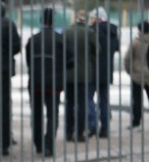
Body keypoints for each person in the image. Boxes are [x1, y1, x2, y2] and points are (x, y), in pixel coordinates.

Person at [25, 8, 70, 157]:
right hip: (53, 84)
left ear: (41, 20)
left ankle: (38, 144)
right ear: (53, 21)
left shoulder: (33, 39)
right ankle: (49, 146)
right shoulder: (59, 39)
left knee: (36, 114)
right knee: (52, 114)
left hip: (36, 82)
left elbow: (28, 61)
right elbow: (70, 59)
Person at [63, 10, 96, 142]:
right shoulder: (89, 32)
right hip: (84, 74)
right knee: (82, 104)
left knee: (69, 102)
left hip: (68, 73)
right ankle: (80, 133)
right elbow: (96, 50)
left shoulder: (67, 31)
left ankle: (68, 132)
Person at [88, 7, 120, 138]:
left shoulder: (93, 31)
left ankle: (93, 124)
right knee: (104, 100)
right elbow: (116, 48)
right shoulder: (113, 31)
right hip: (107, 71)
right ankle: (105, 129)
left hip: (94, 70)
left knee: (88, 97)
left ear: (96, 18)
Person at [0, 3, 22, 155]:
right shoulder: (9, 24)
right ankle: (5, 142)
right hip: (4, 69)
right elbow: (17, 47)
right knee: (5, 106)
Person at [123, 21, 149, 128]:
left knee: (137, 99)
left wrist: (130, 71)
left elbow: (127, 59)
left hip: (137, 75)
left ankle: (136, 121)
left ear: (139, 30)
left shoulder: (135, 42)